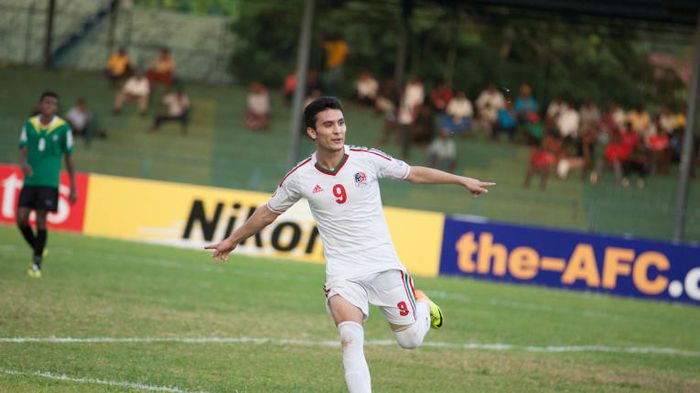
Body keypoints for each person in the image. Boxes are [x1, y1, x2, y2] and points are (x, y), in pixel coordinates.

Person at [205, 96, 495, 393]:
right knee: (349, 339)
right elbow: (268, 212)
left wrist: (460, 180)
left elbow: (414, 173)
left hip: (383, 265)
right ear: (312, 133)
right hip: (343, 272)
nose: (338, 130)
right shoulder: (300, 177)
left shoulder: (366, 159)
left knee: (410, 341)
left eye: (341, 123)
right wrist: (232, 239)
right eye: (328, 125)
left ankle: (421, 302)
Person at [17, 91, 77, 278]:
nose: (49, 106)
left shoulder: (63, 128)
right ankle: (38, 248)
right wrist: (24, 163)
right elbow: (23, 147)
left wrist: (73, 186)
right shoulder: (29, 124)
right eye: (46, 102)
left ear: (56, 108)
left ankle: (36, 264)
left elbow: (69, 157)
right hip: (31, 180)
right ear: (40, 104)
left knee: (41, 219)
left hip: (49, 182)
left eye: (53, 103)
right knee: (21, 218)